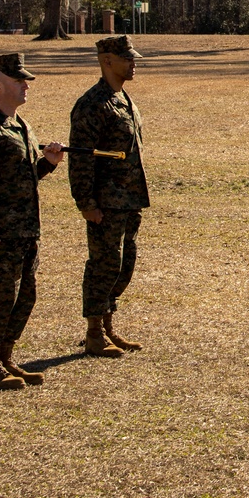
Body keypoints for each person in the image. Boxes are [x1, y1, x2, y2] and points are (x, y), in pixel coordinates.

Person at [0, 53, 66, 390]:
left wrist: (47, 163)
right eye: (19, 80)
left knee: (25, 296)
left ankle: (6, 358)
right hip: (0, 233)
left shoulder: (21, 126)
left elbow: (23, 178)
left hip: (25, 230)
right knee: (1, 296)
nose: (25, 85)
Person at [68, 34, 150, 357]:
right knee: (104, 264)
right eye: (126, 58)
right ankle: (93, 333)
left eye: (132, 58)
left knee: (123, 264)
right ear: (106, 61)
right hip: (105, 203)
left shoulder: (124, 99)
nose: (133, 64)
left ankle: (108, 324)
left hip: (129, 200)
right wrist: (86, 202)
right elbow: (80, 159)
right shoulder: (91, 105)